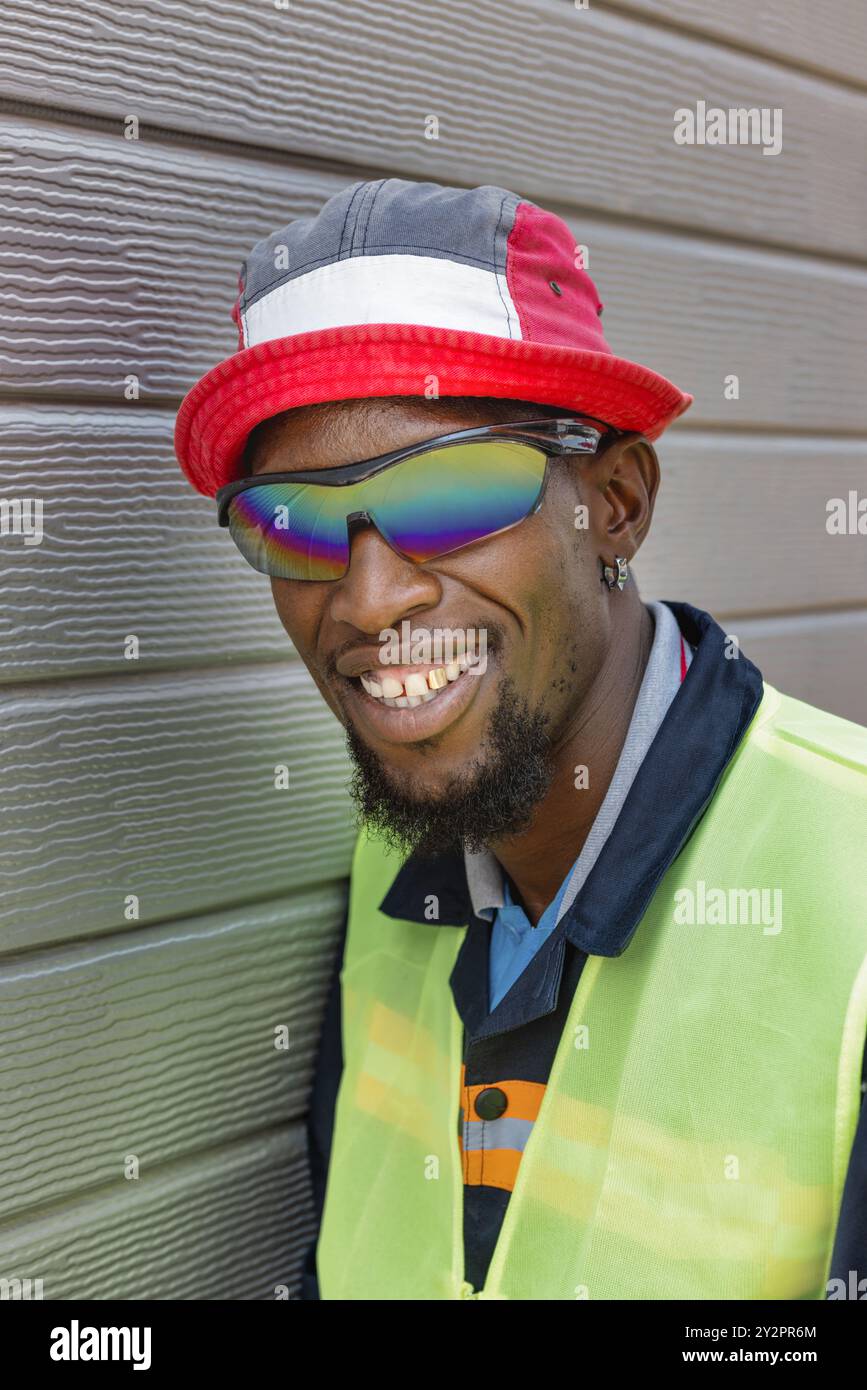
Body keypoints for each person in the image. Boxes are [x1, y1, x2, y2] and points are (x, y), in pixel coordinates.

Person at [175, 177, 867, 1300]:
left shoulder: (850, 892)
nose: (368, 599)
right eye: (294, 520)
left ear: (619, 502)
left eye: (449, 492)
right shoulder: (397, 861)